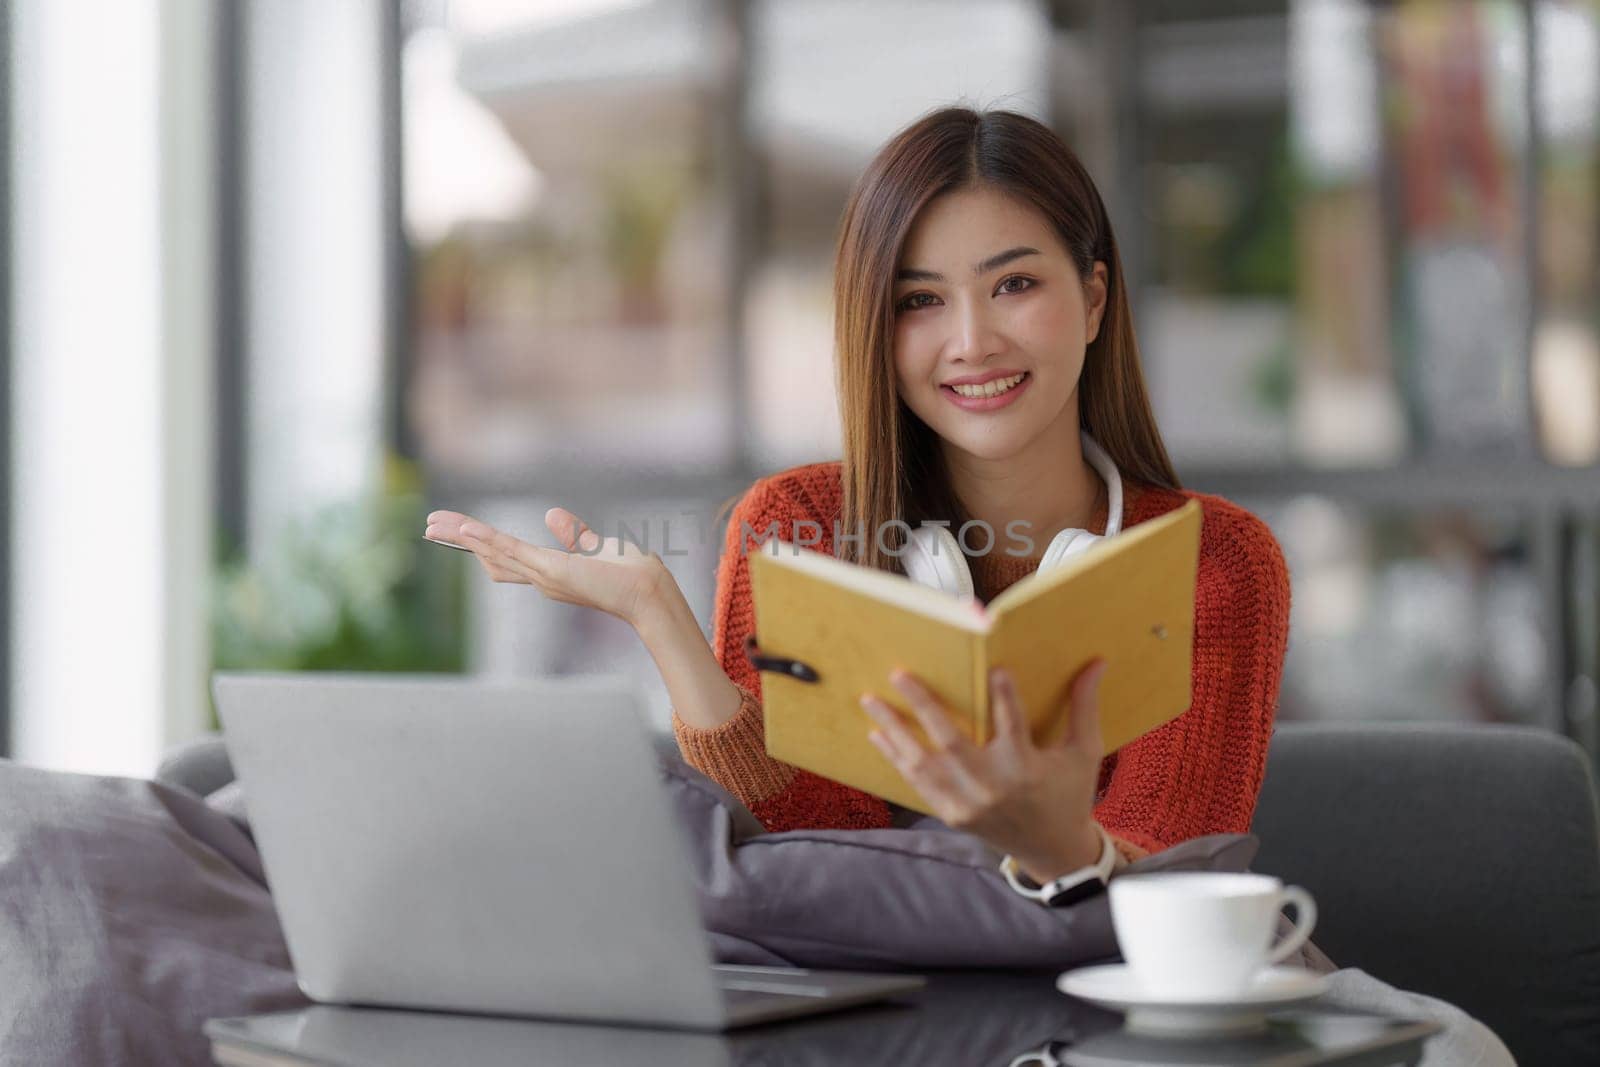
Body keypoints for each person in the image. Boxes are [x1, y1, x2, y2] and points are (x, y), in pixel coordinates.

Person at [425, 106, 1291, 899]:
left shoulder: (1215, 562)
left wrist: (1058, 841)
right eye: (919, 300)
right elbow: (808, 856)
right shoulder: (794, 529)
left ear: (1094, 299)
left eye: (1015, 285)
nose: (971, 342)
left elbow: (1177, 885)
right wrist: (658, 617)